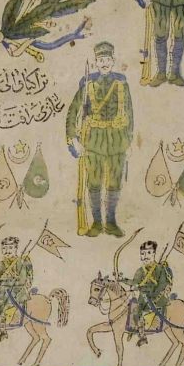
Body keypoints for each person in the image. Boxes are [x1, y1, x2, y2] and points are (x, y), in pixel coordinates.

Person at [67, 40, 135, 236]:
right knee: (94, 182)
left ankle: (111, 223)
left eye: (107, 59)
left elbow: (130, 114)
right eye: (100, 60)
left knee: (114, 182)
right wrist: (73, 138)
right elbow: (73, 111)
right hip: (93, 141)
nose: (104, 63)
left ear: (113, 61)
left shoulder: (122, 84)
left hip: (117, 141)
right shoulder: (87, 85)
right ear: (95, 62)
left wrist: (129, 142)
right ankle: (97, 223)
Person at [128, 239, 175, 345]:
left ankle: (143, 334)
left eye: (148, 253)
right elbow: (135, 282)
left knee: (141, 311)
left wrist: (153, 297)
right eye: (142, 253)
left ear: (154, 253)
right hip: (143, 298)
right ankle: (141, 334)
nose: (145, 256)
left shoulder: (160, 269)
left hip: (157, 298)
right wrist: (123, 280)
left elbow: (162, 285)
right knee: (134, 311)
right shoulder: (140, 270)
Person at [0, 235, 34, 335]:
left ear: (16, 248)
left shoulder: (23, 261)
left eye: (10, 248)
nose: (7, 251)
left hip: (18, 293)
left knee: (5, 309)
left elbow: (28, 277)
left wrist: (23, 280)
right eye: (4, 248)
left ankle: (3, 331)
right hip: (4, 294)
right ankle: (0, 329)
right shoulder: (1, 264)